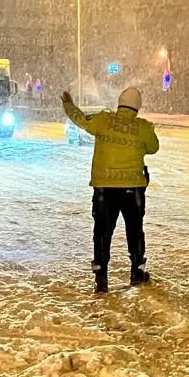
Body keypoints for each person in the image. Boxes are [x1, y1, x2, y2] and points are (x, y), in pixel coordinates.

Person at [62, 86, 159, 293]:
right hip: (132, 190)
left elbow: (81, 120)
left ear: (120, 103)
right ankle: (137, 271)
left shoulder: (103, 121)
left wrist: (69, 106)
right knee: (134, 230)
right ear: (137, 106)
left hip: (104, 189)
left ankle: (101, 275)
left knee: (102, 231)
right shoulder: (142, 127)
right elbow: (153, 147)